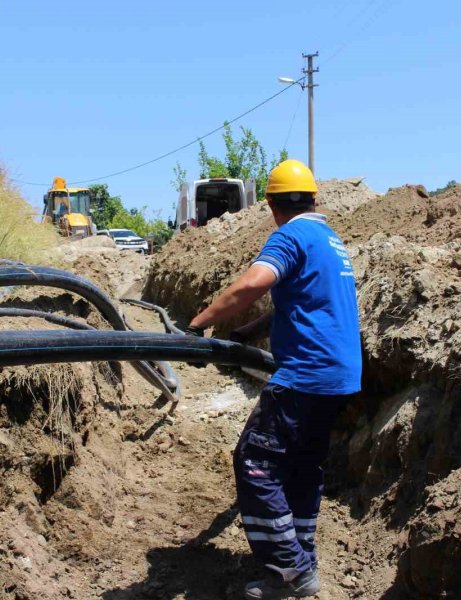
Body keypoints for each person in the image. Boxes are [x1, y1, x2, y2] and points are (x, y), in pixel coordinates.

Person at [185, 159, 362, 599]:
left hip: (305, 374)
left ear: (271, 204)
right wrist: (248, 332)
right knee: (301, 469)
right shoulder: (328, 239)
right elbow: (302, 303)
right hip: (338, 376)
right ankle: (303, 559)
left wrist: (198, 323)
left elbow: (252, 284)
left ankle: (289, 572)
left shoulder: (291, 235)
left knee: (256, 463)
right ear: (314, 199)